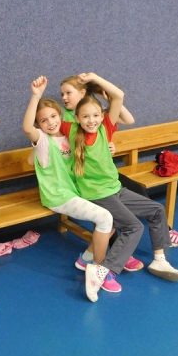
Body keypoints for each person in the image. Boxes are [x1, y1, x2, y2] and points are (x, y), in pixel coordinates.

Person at [60, 76, 178, 300]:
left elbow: (118, 96)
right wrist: (36, 97)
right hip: (98, 194)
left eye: (96, 115)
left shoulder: (105, 129)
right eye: (86, 117)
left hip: (115, 189)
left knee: (157, 209)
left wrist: (94, 78)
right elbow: (38, 125)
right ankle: (102, 271)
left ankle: (159, 260)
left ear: (102, 116)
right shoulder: (71, 130)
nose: (91, 120)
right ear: (77, 119)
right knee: (133, 227)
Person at [22, 76, 117, 297]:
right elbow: (27, 128)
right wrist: (36, 96)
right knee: (105, 218)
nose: (50, 122)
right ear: (39, 125)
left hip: (76, 191)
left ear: (61, 116)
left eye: (53, 116)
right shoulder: (42, 140)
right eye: (43, 120)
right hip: (57, 196)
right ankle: (100, 271)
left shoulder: (70, 136)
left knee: (113, 220)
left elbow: (97, 132)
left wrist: (111, 145)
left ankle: (85, 259)